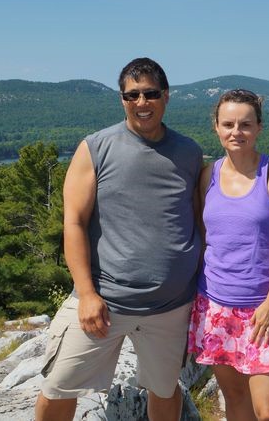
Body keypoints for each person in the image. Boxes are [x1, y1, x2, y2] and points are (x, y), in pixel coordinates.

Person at [34, 58, 203, 421]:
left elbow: (198, 219)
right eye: (132, 95)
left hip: (171, 308)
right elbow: (75, 223)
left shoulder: (189, 152)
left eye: (151, 93)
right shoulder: (95, 148)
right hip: (104, 304)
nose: (142, 102)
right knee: (58, 388)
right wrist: (87, 294)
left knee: (164, 388)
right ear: (122, 99)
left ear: (166, 96)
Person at [188, 88, 269, 421]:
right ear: (216, 127)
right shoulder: (208, 176)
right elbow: (205, 236)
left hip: (264, 308)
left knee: (268, 410)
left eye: (245, 124)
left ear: (259, 127)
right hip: (215, 305)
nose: (236, 132)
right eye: (228, 124)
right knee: (235, 401)